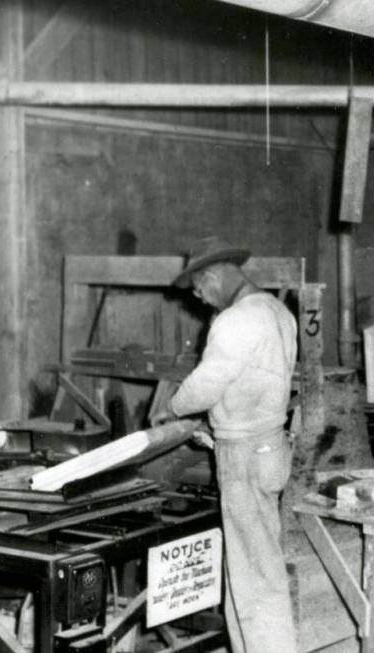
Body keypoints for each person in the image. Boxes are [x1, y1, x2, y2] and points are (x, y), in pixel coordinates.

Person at [152, 236, 298, 653]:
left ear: (211, 275)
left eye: (199, 290)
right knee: (251, 567)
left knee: (255, 574)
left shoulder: (235, 320)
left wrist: (172, 409)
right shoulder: (276, 311)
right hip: (269, 445)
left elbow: (206, 384)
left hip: (246, 456)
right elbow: (250, 383)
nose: (200, 299)